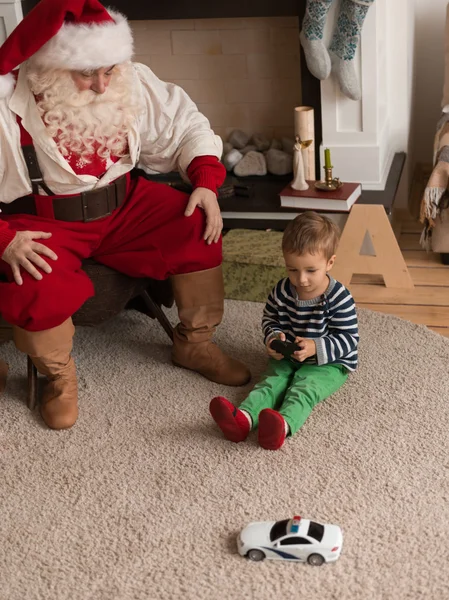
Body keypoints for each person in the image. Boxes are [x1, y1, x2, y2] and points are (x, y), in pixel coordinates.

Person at [0, 0, 250, 430]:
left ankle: (194, 342)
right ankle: (58, 378)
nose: (101, 84)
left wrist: (206, 180)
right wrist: (4, 237)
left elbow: (185, 124)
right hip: (45, 220)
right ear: (51, 66)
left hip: (124, 206)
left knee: (193, 221)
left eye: (108, 70)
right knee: (32, 279)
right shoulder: (7, 105)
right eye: (86, 73)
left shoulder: (127, 81)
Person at [209, 212, 358, 450]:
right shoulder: (282, 290)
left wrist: (314, 347)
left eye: (311, 270)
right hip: (288, 354)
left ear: (329, 263)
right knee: (271, 382)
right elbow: (271, 319)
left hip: (328, 363)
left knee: (304, 387)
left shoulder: (339, 298)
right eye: (292, 270)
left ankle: (283, 425)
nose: (301, 279)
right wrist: (273, 338)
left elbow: (349, 339)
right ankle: (244, 419)